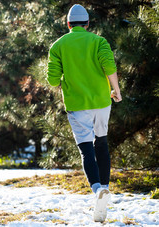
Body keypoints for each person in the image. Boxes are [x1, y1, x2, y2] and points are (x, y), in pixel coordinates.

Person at [46, 4, 122, 222]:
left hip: (77, 105)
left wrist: (65, 80)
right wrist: (116, 91)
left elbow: (52, 79)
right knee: (102, 143)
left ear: (68, 24)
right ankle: (105, 189)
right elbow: (109, 67)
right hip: (101, 101)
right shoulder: (99, 42)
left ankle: (97, 189)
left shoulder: (58, 45)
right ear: (88, 23)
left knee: (86, 149)